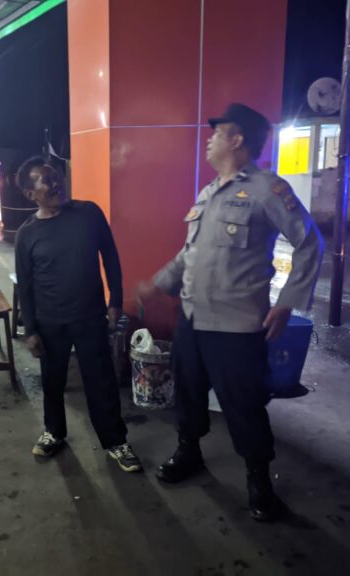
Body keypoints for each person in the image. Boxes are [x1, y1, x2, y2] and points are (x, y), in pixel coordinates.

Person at [138, 103, 324, 521]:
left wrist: (288, 301)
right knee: (187, 394)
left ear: (237, 140)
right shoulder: (208, 193)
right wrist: (159, 283)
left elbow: (310, 242)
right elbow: (188, 255)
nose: (208, 140)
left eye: (216, 133)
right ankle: (189, 452)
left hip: (236, 327)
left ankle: (259, 481)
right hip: (192, 319)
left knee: (244, 406)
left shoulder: (267, 190)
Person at [15, 156, 142, 473]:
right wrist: (30, 330)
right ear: (31, 194)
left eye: (56, 175)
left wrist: (115, 300)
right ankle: (54, 432)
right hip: (49, 322)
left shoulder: (88, 214)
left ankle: (115, 441)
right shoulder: (27, 234)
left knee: (101, 382)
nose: (55, 182)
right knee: (52, 382)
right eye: (45, 180)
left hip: (89, 317)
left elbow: (110, 256)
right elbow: (25, 286)